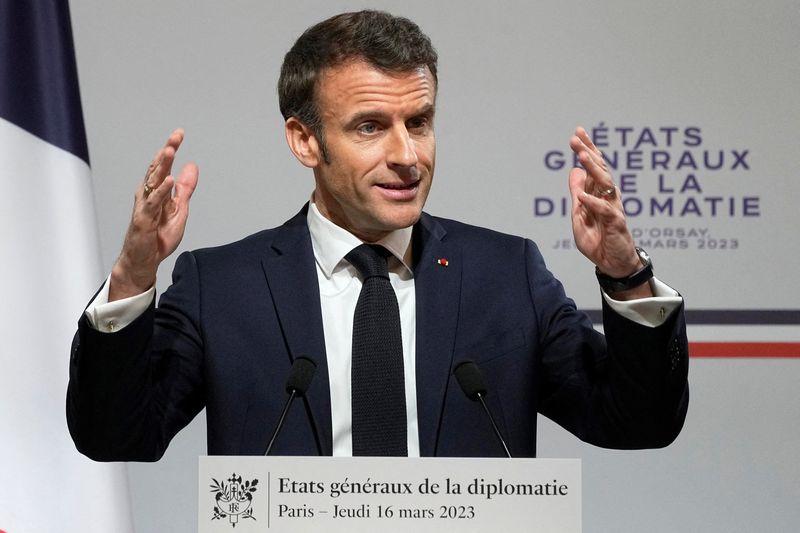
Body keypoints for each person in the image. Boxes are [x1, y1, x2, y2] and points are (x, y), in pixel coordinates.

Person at [68, 10, 688, 461]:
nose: (407, 155)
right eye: (370, 127)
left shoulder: (507, 275)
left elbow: (638, 421)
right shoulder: (223, 286)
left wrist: (626, 274)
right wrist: (132, 278)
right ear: (305, 141)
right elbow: (118, 436)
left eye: (419, 122)